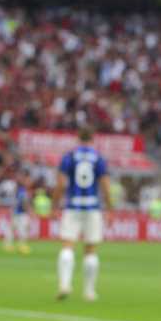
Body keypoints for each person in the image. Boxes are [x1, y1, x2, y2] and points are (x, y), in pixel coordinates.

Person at [53, 128, 111, 301]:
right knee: (91, 250)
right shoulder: (98, 158)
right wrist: (109, 208)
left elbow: (61, 184)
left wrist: (55, 204)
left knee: (67, 246)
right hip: (92, 207)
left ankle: (64, 285)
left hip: (73, 206)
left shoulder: (69, 157)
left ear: (78, 138)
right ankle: (89, 291)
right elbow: (105, 185)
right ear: (93, 138)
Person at [3, 171, 32, 254]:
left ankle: (8, 245)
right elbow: (24, 202)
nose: (29, 182)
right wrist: (29, 211)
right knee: (23, 229)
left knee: (12, 229)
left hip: (16, 212)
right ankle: (21, 246)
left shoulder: (19, 190)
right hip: (21, 213)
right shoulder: (22, 191)